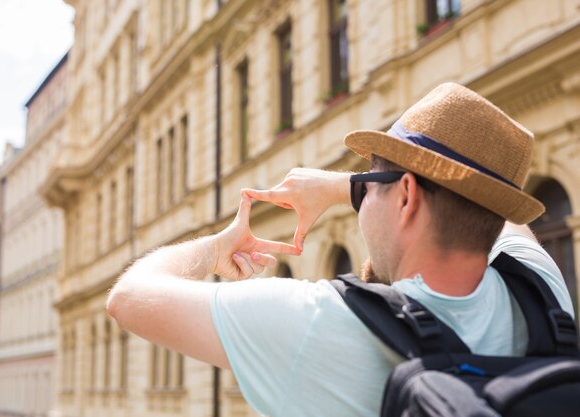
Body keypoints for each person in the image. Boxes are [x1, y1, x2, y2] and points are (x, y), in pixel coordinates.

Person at [106, 83, 575, 416]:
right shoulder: (541, 288)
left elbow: (128, 297)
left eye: (369, 183)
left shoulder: (316, 325)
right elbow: (502, 214)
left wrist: (215, 249)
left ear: (408, 197)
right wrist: (365, 188)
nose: (361, 194)